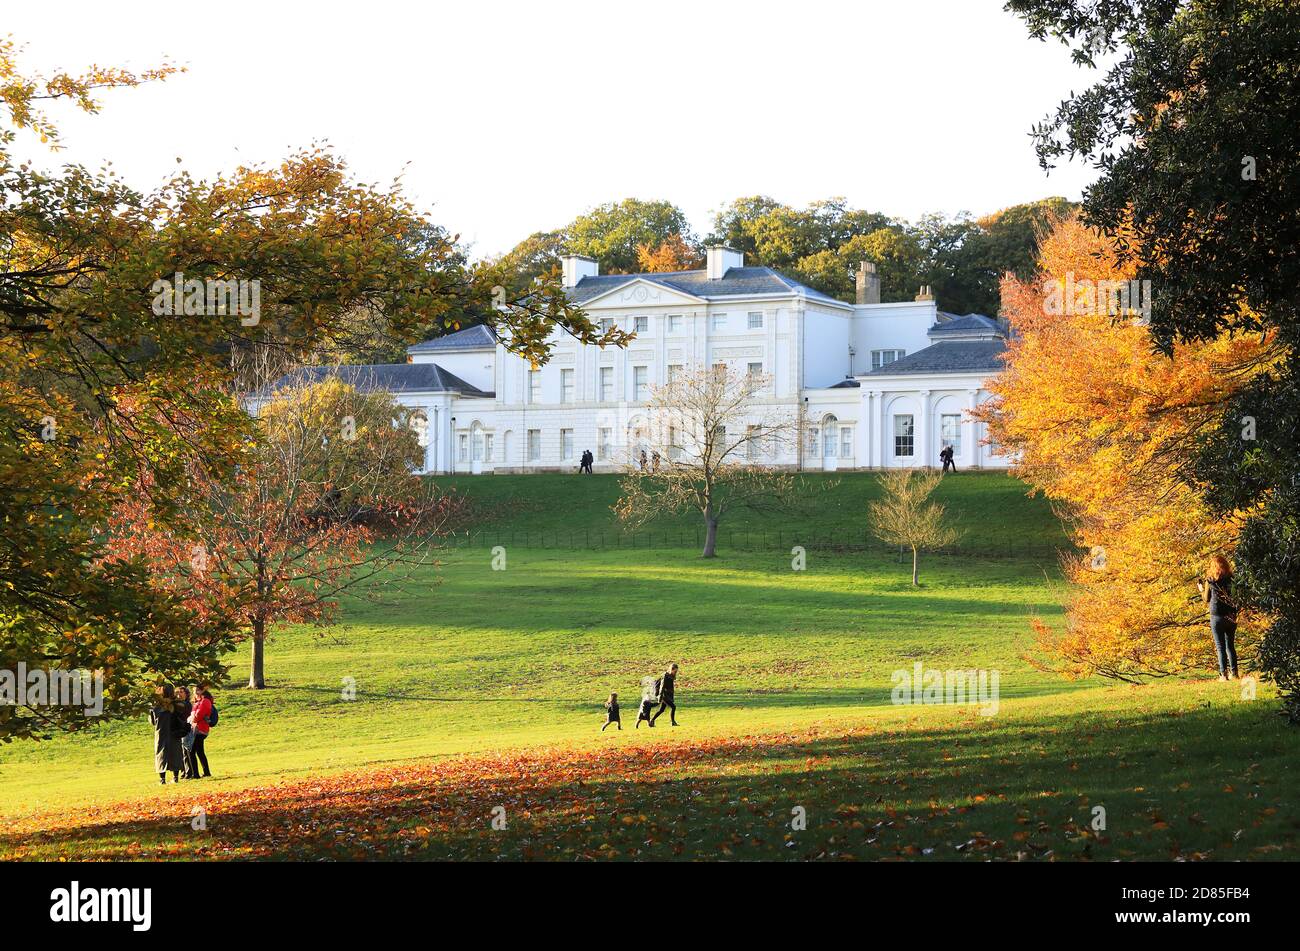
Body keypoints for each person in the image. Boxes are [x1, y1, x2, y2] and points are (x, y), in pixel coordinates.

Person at [1197, 554, 1239, 681]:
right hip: (1231, 616)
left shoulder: (1210, 580)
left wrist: (1200, 589)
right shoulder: (1232, 579)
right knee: (1230, 645)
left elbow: (1206, 599)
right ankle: (1235, 673)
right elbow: (1235, 596)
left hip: (1216, 616)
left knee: (1220, 646)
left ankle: (1223, 675)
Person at [149, 685, 182, 784]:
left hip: (161, 732)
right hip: (174, 731)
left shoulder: (156, 706)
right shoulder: (176, 704)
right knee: (175, 753)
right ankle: (175, 777)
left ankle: (162, 779)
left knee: (161, 753)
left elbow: (153, 721)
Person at [188, 683, 215, 777]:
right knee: (199, 751)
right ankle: (206, 772)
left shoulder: (205, 701)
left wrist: (192, 719)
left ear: (202, 691)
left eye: (197, 691)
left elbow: (198, 715)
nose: (195, 693)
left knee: (191, 751)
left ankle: (195, 774)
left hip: (200, 729)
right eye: (194, 692)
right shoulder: (198, 702)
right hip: (197, 728)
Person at [173, 686, 196, 779]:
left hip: (185, 729)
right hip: (180, 730)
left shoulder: (186, 704)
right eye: (177, 692)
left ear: (186, 694)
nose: (179, 694)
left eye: (181, 692)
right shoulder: (178, 704)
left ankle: (188, 772)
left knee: (187, 751)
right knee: (182, 752)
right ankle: (185, 772)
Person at [649, 662, 679, 727]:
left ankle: (652, 720)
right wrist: (660, 697)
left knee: (661, 710)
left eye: (676, 671)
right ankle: (673, 722)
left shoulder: (671, 676)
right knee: (673, 707)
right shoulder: (666, 676)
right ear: (671, 669)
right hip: (663, 695)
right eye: (675, 671)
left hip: (667, 695)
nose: (676, 672)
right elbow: (662, 686)